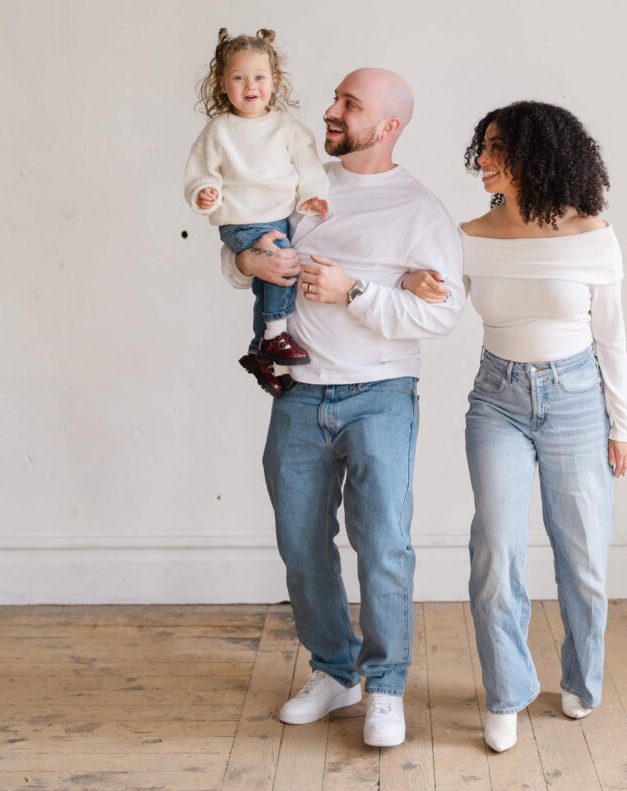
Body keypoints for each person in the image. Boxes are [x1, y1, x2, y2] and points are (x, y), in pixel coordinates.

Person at [221, 68, 464, 747]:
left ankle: (385, 685)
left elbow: (442, 314)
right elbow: (246, 247)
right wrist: (247, 267)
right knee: (301, 546)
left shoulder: (421, 210)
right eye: (335, 98)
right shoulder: (302, 188)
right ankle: (336, 671)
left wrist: (356, 290)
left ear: (386, 127)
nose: (330, 111)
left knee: (383, 546)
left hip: (379, 396)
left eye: (348, 105)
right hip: (297, 396)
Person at [404, 101, 627, 752]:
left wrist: (625, 423)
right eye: (481, 145)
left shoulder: (593, 234)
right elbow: (438, 299)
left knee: (584, 558)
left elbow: (611, 337)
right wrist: (410, 278)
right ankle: (507, 691)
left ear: (536, 154)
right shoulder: (468, 233)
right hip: (497, 400)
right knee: (495, 552)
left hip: (577, 401)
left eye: (496, 146)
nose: (481, 158)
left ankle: (582, 682)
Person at [184, 28, 329, 396]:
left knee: (267, 284)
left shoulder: (286, 127)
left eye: (260, 77)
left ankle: (259, 351)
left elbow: (308, 165)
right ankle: (275, 338)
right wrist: (205, 193)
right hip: (239, 221)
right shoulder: (219, 131)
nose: (251, 85)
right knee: (281, 263)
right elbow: (201, 173)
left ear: (275, 80)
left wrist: (312, 195)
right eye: (238, 77)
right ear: (221, 83)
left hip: (278, 216)